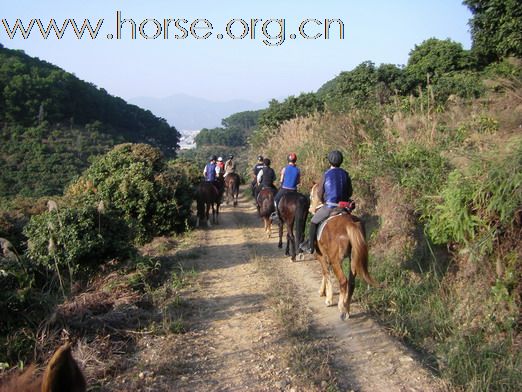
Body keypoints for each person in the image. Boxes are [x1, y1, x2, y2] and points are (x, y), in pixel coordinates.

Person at [299, 150, 353, 254]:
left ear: (329, 161)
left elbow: (319, 193)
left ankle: (310, 247)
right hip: (343, 207)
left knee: (313, 222)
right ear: (341, 161)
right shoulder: (346, 174)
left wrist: (324, 201)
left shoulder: (326, 174)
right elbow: (350, 192)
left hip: (330, 206)